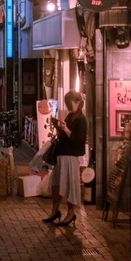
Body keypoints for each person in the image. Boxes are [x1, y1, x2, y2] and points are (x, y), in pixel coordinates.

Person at [43, 90, 87, 227]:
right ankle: (55, 211)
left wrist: (66, 130)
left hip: (70, 157)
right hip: (61, 155)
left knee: (69, 185)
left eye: (70, 103)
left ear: (78, 103)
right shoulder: (70, 116)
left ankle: (70, 212)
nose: (68, 106)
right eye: (67, 103)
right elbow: (64, 136)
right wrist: (59, 127)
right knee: (56, 184)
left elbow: (79, 140)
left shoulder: (81, 119)